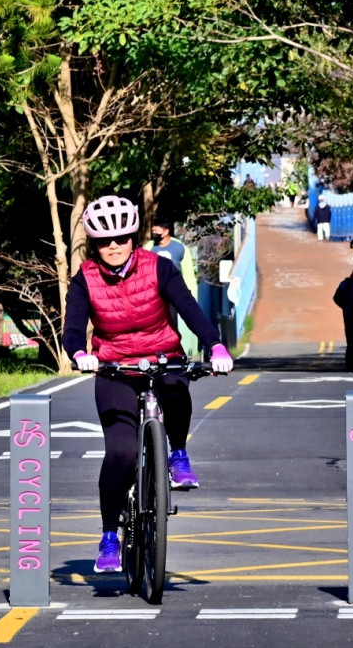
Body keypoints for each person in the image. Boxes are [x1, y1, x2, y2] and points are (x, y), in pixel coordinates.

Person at [64, 195, 233, 573]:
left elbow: (190, 309)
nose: (113, 246)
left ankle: (178, 453)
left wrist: (216, 346)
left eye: (122, 238)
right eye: (105, 241)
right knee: (121, 455)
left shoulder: (159, 267)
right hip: (114, 368)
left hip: (162, 356)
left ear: (134, 237)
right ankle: (110, 537)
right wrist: (79, 354)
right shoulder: (85, 278)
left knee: (177, 387)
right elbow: (73, 328)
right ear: (94, 244)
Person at [144, 215, 198, 355]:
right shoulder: (149, 247)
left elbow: (188, 274)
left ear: (166, 231)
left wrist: (189, 295)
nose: (153, 229)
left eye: (157, 227)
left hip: (173, 293)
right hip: (154, 293)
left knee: (172, 321)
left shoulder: (180, 248)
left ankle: (173, 352)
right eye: (153, 227)